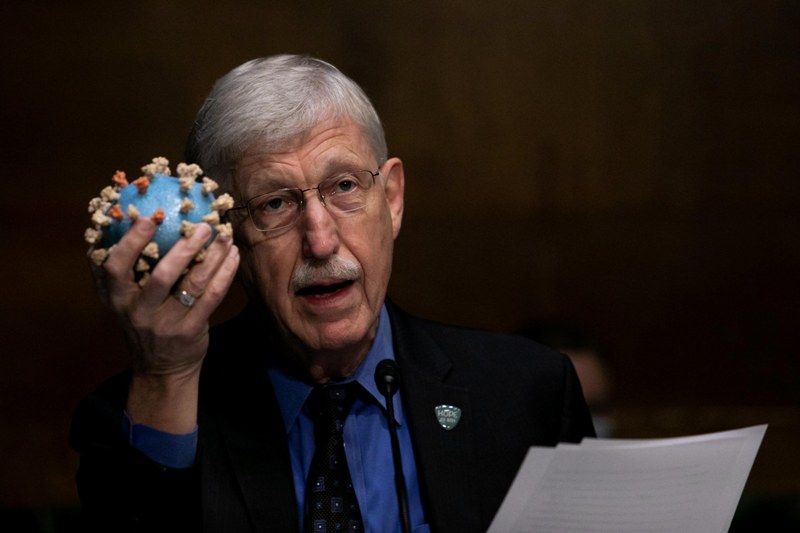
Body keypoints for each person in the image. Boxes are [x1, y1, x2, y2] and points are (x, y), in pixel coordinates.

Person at [70, 54, 595, 533]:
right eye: (274, 204)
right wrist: (167, 376)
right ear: (226, 233)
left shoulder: (528, 394)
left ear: (391, 199)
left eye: (344, 186)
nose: (320, 242)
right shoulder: (140, 414)